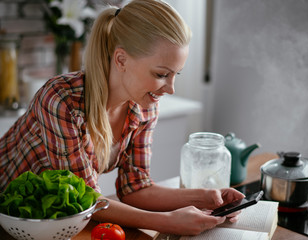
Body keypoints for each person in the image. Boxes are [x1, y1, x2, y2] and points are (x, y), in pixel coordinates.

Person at [0, 0, 244, 235]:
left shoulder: (144, 106)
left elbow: (135, 188)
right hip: (9, 217)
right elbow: (86, 198)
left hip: (50, 221)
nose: (170, 88)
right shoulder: (60, 99)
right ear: (121, 59)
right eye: (161, 74)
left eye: (176, 74)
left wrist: (208, 197)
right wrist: (167, 222)